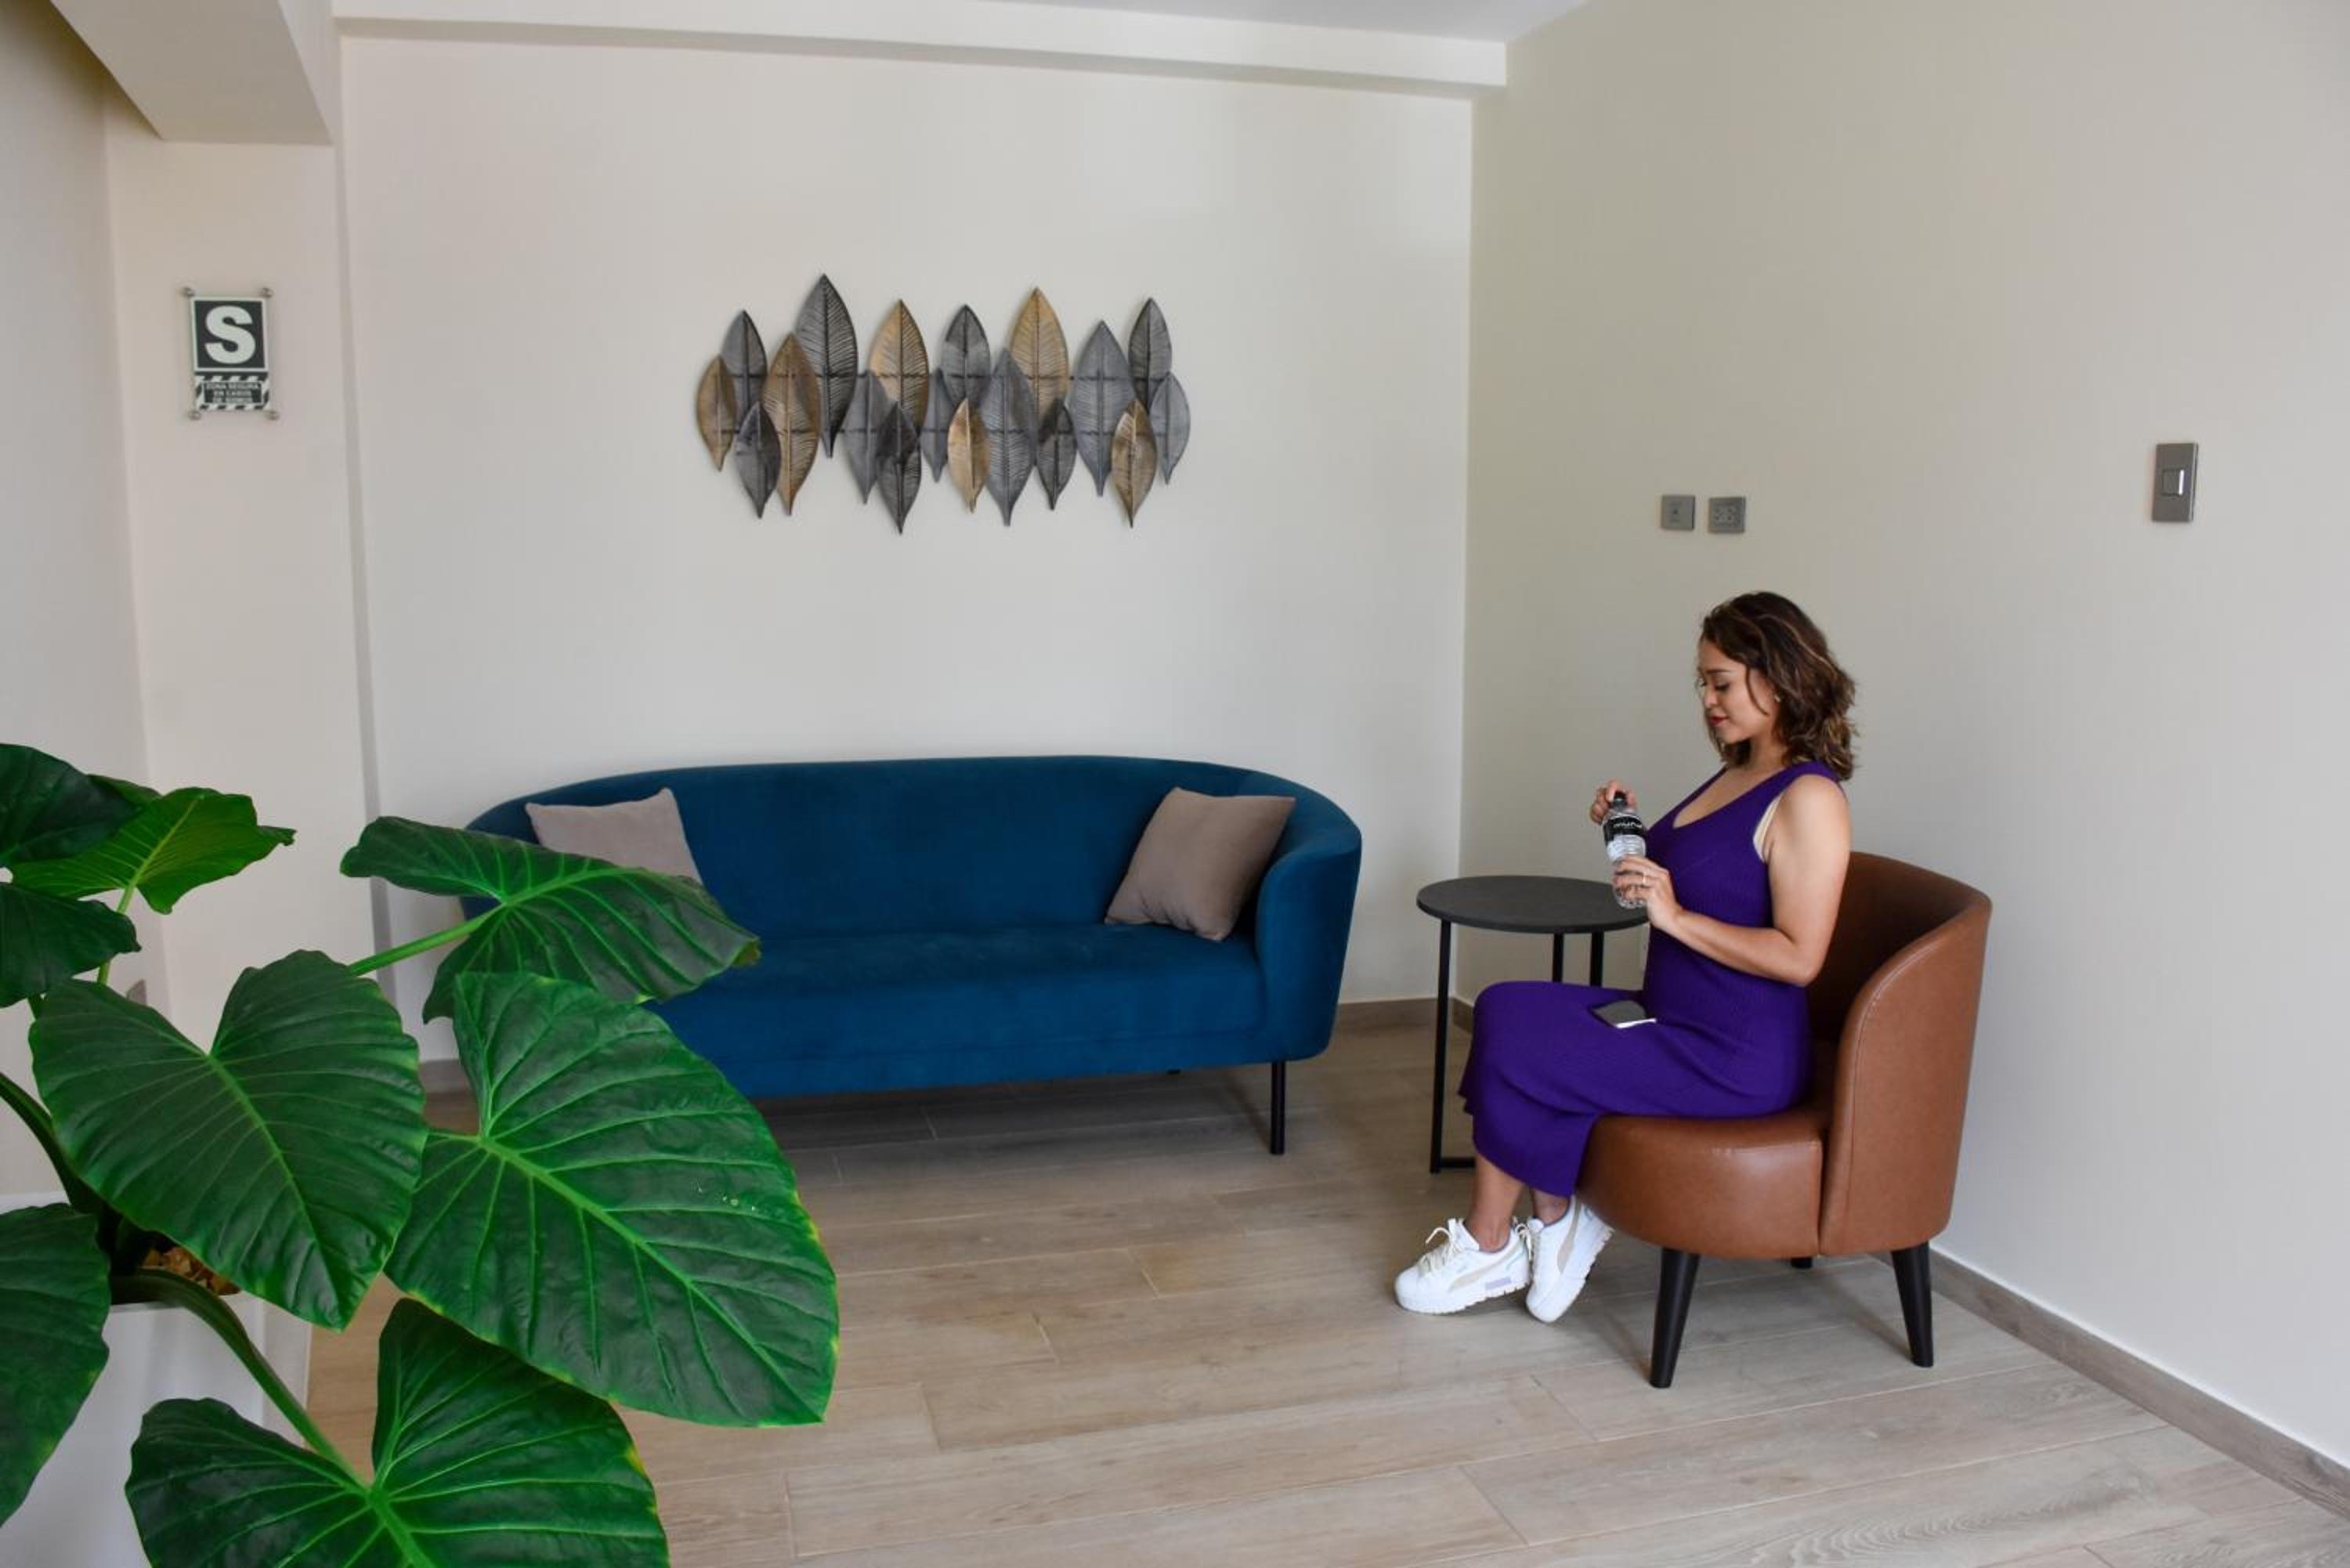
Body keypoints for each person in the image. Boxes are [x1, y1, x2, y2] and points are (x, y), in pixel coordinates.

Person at [1395, 591, 1857, 1319]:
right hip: (1668, 1018)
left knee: (1526, 1047)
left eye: (1722, 683)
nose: (1707, 700)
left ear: (1776, 678)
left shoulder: (1809, 798)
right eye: (1702, 683)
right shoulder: (1741, 772)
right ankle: (1554, 1220)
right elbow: (1702, 883)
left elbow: (1800, 957)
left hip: (1731, 1057)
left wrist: (1674, 916)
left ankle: (1490, 1245)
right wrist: (1625, 831)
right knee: (1507, 1007)